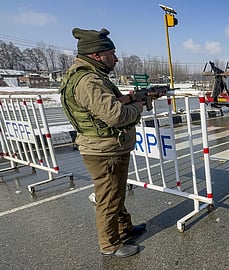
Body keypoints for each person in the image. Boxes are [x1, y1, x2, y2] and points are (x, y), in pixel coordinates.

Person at [59, 28, 157, 258]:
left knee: (115, 193)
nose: (115, 58)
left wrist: (132, 97)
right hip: (104, 150)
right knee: (109, 198)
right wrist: (139, 106)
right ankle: (110, 244)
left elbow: (108, 105)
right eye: (111, 53)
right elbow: (116, 116)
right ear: (96, 55)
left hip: (105, 147)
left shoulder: (88, 76)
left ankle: (124, 229)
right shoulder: (88, 80)